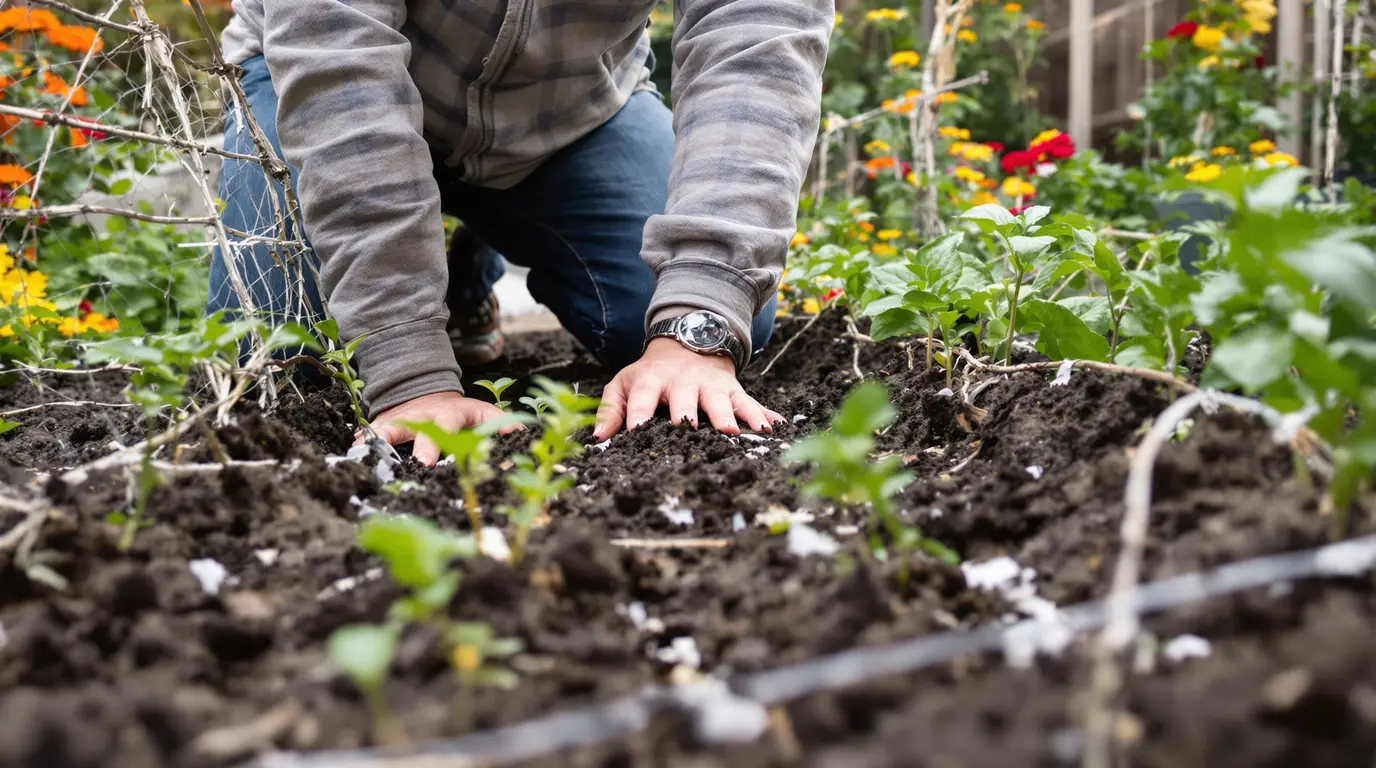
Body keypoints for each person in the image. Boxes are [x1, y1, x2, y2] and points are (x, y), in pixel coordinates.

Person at [210, 0, 832, 465]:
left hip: (566, 111)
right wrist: (407, 373)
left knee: (714, 313)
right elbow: (339, 68)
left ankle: (462, 268)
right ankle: (429, 277)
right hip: (315, 85)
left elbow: (757, 35)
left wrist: (699, 313)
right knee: (281, 359)